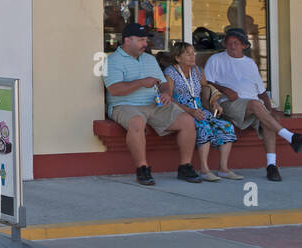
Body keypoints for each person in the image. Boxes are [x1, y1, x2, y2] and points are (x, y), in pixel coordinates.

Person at [103, 22, 199, 186]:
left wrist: (166, 93)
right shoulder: (111, 61)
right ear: (127, 40)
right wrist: (141, 82)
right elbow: (114, 90)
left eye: (145, 40)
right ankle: (142, 168)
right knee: (137, 121)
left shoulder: (149, 59)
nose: (145, 44)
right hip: (125, 105)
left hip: (153, 104)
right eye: (141, 40)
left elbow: (162, 83)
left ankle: (185, 166)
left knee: (187, 121)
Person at [204, 27, 299, 182]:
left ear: (244, 46)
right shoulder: (216, 60)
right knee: (256, 106)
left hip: (253, 105)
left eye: (236, 43)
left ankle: (271, 166)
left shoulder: (250, 63)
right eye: (229, 43)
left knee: (268, 121)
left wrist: (269, 109)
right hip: (229, 103)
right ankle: (290, 137)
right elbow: (205, 82)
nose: (232, 46)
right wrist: (224, 89)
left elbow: (261, 92)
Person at [163, 41, 239, 181]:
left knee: (226, 126)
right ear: (178, 58)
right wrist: (190, 111)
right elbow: (169, 98)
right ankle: (204, 170)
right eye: (188, 54)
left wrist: (214, 102)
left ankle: (223, 169)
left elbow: (207, 89)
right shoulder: (170, 72)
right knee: (204, 127)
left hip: (199, 109)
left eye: (193, 53)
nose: (193, 57)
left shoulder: (198, 71)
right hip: (181, 111)